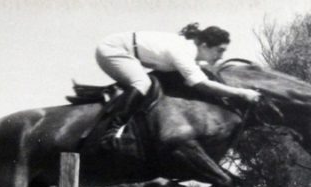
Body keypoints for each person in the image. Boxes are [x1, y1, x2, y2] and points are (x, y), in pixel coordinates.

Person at [95, 22, 261, 150]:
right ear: (204, 45)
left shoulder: (191, 50)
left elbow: (206, 70)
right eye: (219, 50)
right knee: (142, 83)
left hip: (125, 50)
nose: (221, 56)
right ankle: (111, 131)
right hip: (112, 50)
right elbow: (202, 85)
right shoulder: (183, 51)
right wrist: (241, 93)